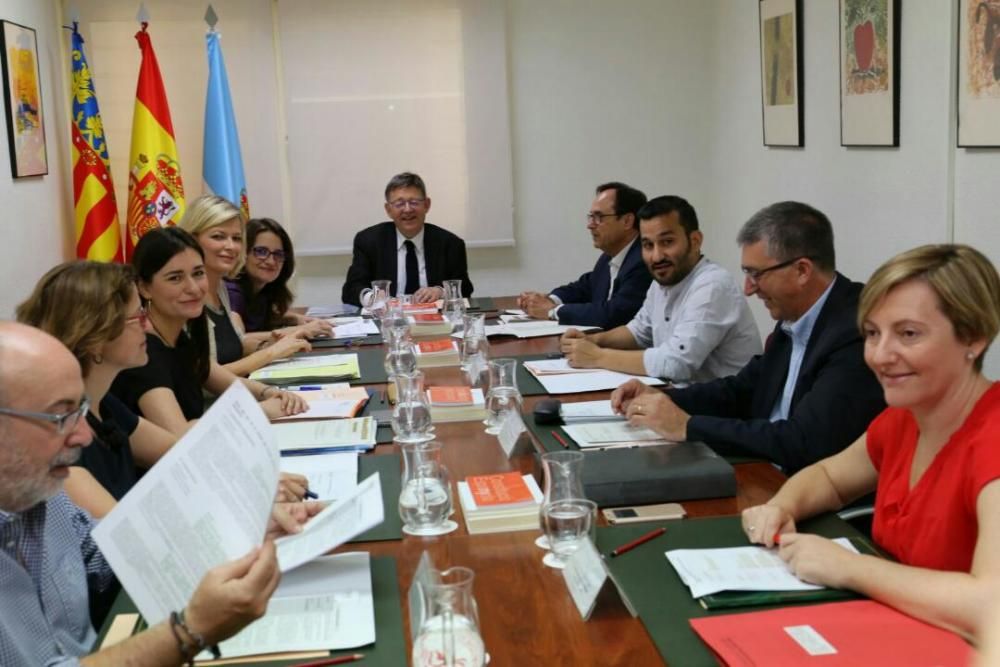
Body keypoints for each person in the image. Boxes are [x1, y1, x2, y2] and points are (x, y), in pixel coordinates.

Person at [0, 321, 320, 666]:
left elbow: (118, 558)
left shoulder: (41, 497)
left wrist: (239, 525)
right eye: (60, 416)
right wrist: (189, 631)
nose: (84, 435)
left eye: (80, 411)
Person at [741, 244, 1000, 639]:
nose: (880, 356)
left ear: (974, 338)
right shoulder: (905, 416)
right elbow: (829, 477)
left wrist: (850, 567)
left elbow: (989, 605)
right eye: (873, 334)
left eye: (908, 334)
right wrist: (780, 506)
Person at [15, 261, 311, 517]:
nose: (146, 327)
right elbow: (130, 539)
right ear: (96, 336)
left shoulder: (103, 405)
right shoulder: (60, 441)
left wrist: (253, 481)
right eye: (136, 318)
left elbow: (182, 454)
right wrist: (247, 498)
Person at [612, 201, 885, 473]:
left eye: (756, 274)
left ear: (802, 270)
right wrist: (664, 398)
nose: (748, 288)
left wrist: (687, 426)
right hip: (765, 469)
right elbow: (741, 390)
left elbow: (803, 440)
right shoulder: (794, 317)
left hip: (806, 489)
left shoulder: (855, 333)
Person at [111, 227, 307, 437]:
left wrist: (270, 392)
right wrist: (263, 410)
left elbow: (216, 377)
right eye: (175, 278)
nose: (194, 288)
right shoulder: (143, 349)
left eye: (198, 273)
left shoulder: (180, 333)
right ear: (144, 287)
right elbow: (178, 435)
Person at [560, 195, 761, 381]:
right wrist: (593, 340)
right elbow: (638, 332)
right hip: (681, 398)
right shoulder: (661, 282)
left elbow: (676, 364)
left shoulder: (713, 286)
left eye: (667, 242)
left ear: (695, 241)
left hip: (723, 412)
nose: (656, 256)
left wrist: (597, 357)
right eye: (648, 245)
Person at [178, 195, 325, 376]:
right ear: (192, 238)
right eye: (218, 236)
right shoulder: (184, 297)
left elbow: (237, 345)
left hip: (236, 394)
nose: (231, 246)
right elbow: (202, 381)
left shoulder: (220, 288)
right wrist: (273, 350)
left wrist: (274, 343)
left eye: (237, 238)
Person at [517, 182, 651, 328]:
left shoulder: (644, 260)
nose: (590, 225)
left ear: (627, 221)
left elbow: (614, 314)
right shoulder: (610, 254)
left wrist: (552, 311)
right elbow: (585, 287)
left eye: (599, 217)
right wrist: (550, 299)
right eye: (591, 217)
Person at [342, 172, 474, 306]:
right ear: (388, 210)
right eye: (399, 204)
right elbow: (351, 290)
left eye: (414, 202)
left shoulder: (450, 243)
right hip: (388, 320)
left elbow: (465, 289)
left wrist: (440, 291)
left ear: (427, 205)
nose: (407, 209)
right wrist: (372, 297)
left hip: (435, 321)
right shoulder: (369, 241)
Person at [227, 217, 328, 333]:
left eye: (278, 254)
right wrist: (298, 331)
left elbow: (262, 318)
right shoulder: (232, 291)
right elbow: (239, 341)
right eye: (261, 251)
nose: (271, 261)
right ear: (244, 253)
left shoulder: (263, 290)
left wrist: (294, 318)